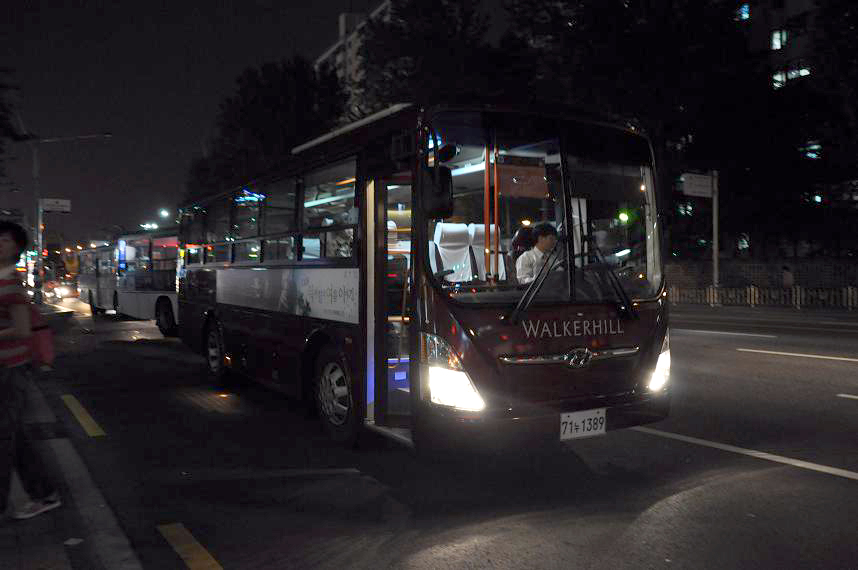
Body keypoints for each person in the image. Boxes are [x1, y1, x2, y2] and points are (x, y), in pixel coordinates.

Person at [0, 221, 61, 521]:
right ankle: (44, 493)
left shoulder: (10, 283)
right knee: (15, 437)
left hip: (11, 369)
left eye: (6, 240)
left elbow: (22, 329)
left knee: (4, 438)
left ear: (17, 248)